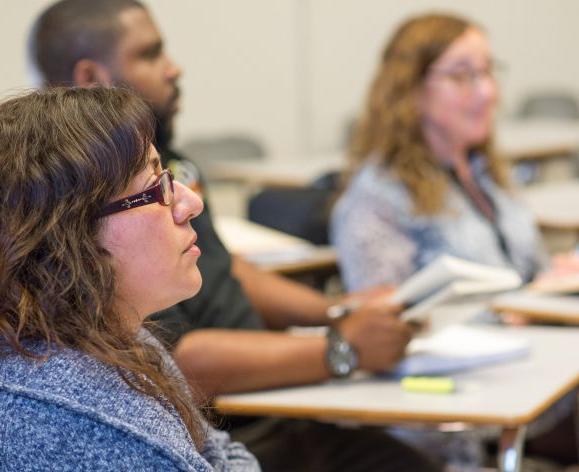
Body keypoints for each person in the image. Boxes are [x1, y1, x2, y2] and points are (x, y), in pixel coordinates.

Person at [28, 1, 442, 471]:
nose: (174, 67)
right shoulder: (99, 213)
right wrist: (339, 347)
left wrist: (337, 310)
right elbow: (182, 359)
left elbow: (222, 265)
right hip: (237, 417)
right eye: (150, 54)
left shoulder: (167, 165)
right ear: (90, 75)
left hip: (255, 421)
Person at [0, 87, 259, 470]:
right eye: (156, 188)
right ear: (71, 236)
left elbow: (220, 451)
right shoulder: (90, 425)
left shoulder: (121, 337)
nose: (192, 203)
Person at [331, 13, 546, 293]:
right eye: (462, 76)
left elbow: (534, 268)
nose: (488, 92)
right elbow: (385, 322)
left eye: (488, 72)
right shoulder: (379, 196)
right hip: (474, 336)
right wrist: (510, 312)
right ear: (412, 89)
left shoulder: (484, 172)